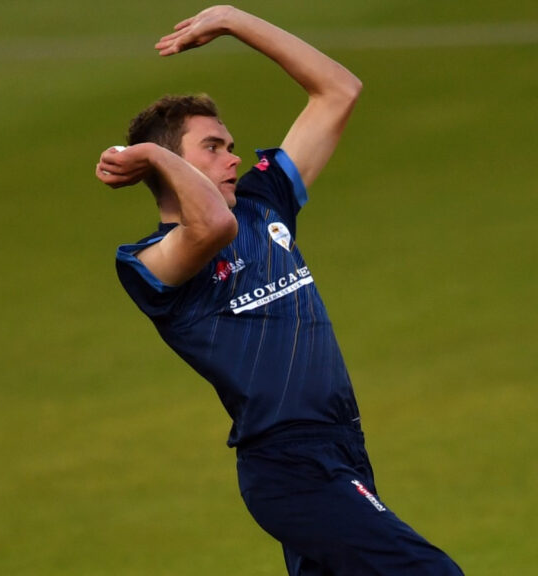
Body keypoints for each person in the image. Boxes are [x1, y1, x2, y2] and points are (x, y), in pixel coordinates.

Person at [96, 6, 463, 576]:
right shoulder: (150, 261)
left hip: (343, 447)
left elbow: (338, 91)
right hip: (288, 465)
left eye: (230, 145)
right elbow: (210, 226)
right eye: (213, 147)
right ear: (167, 165)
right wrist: (151, 155)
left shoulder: (263, 203)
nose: (234, 157)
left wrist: (233, 19)